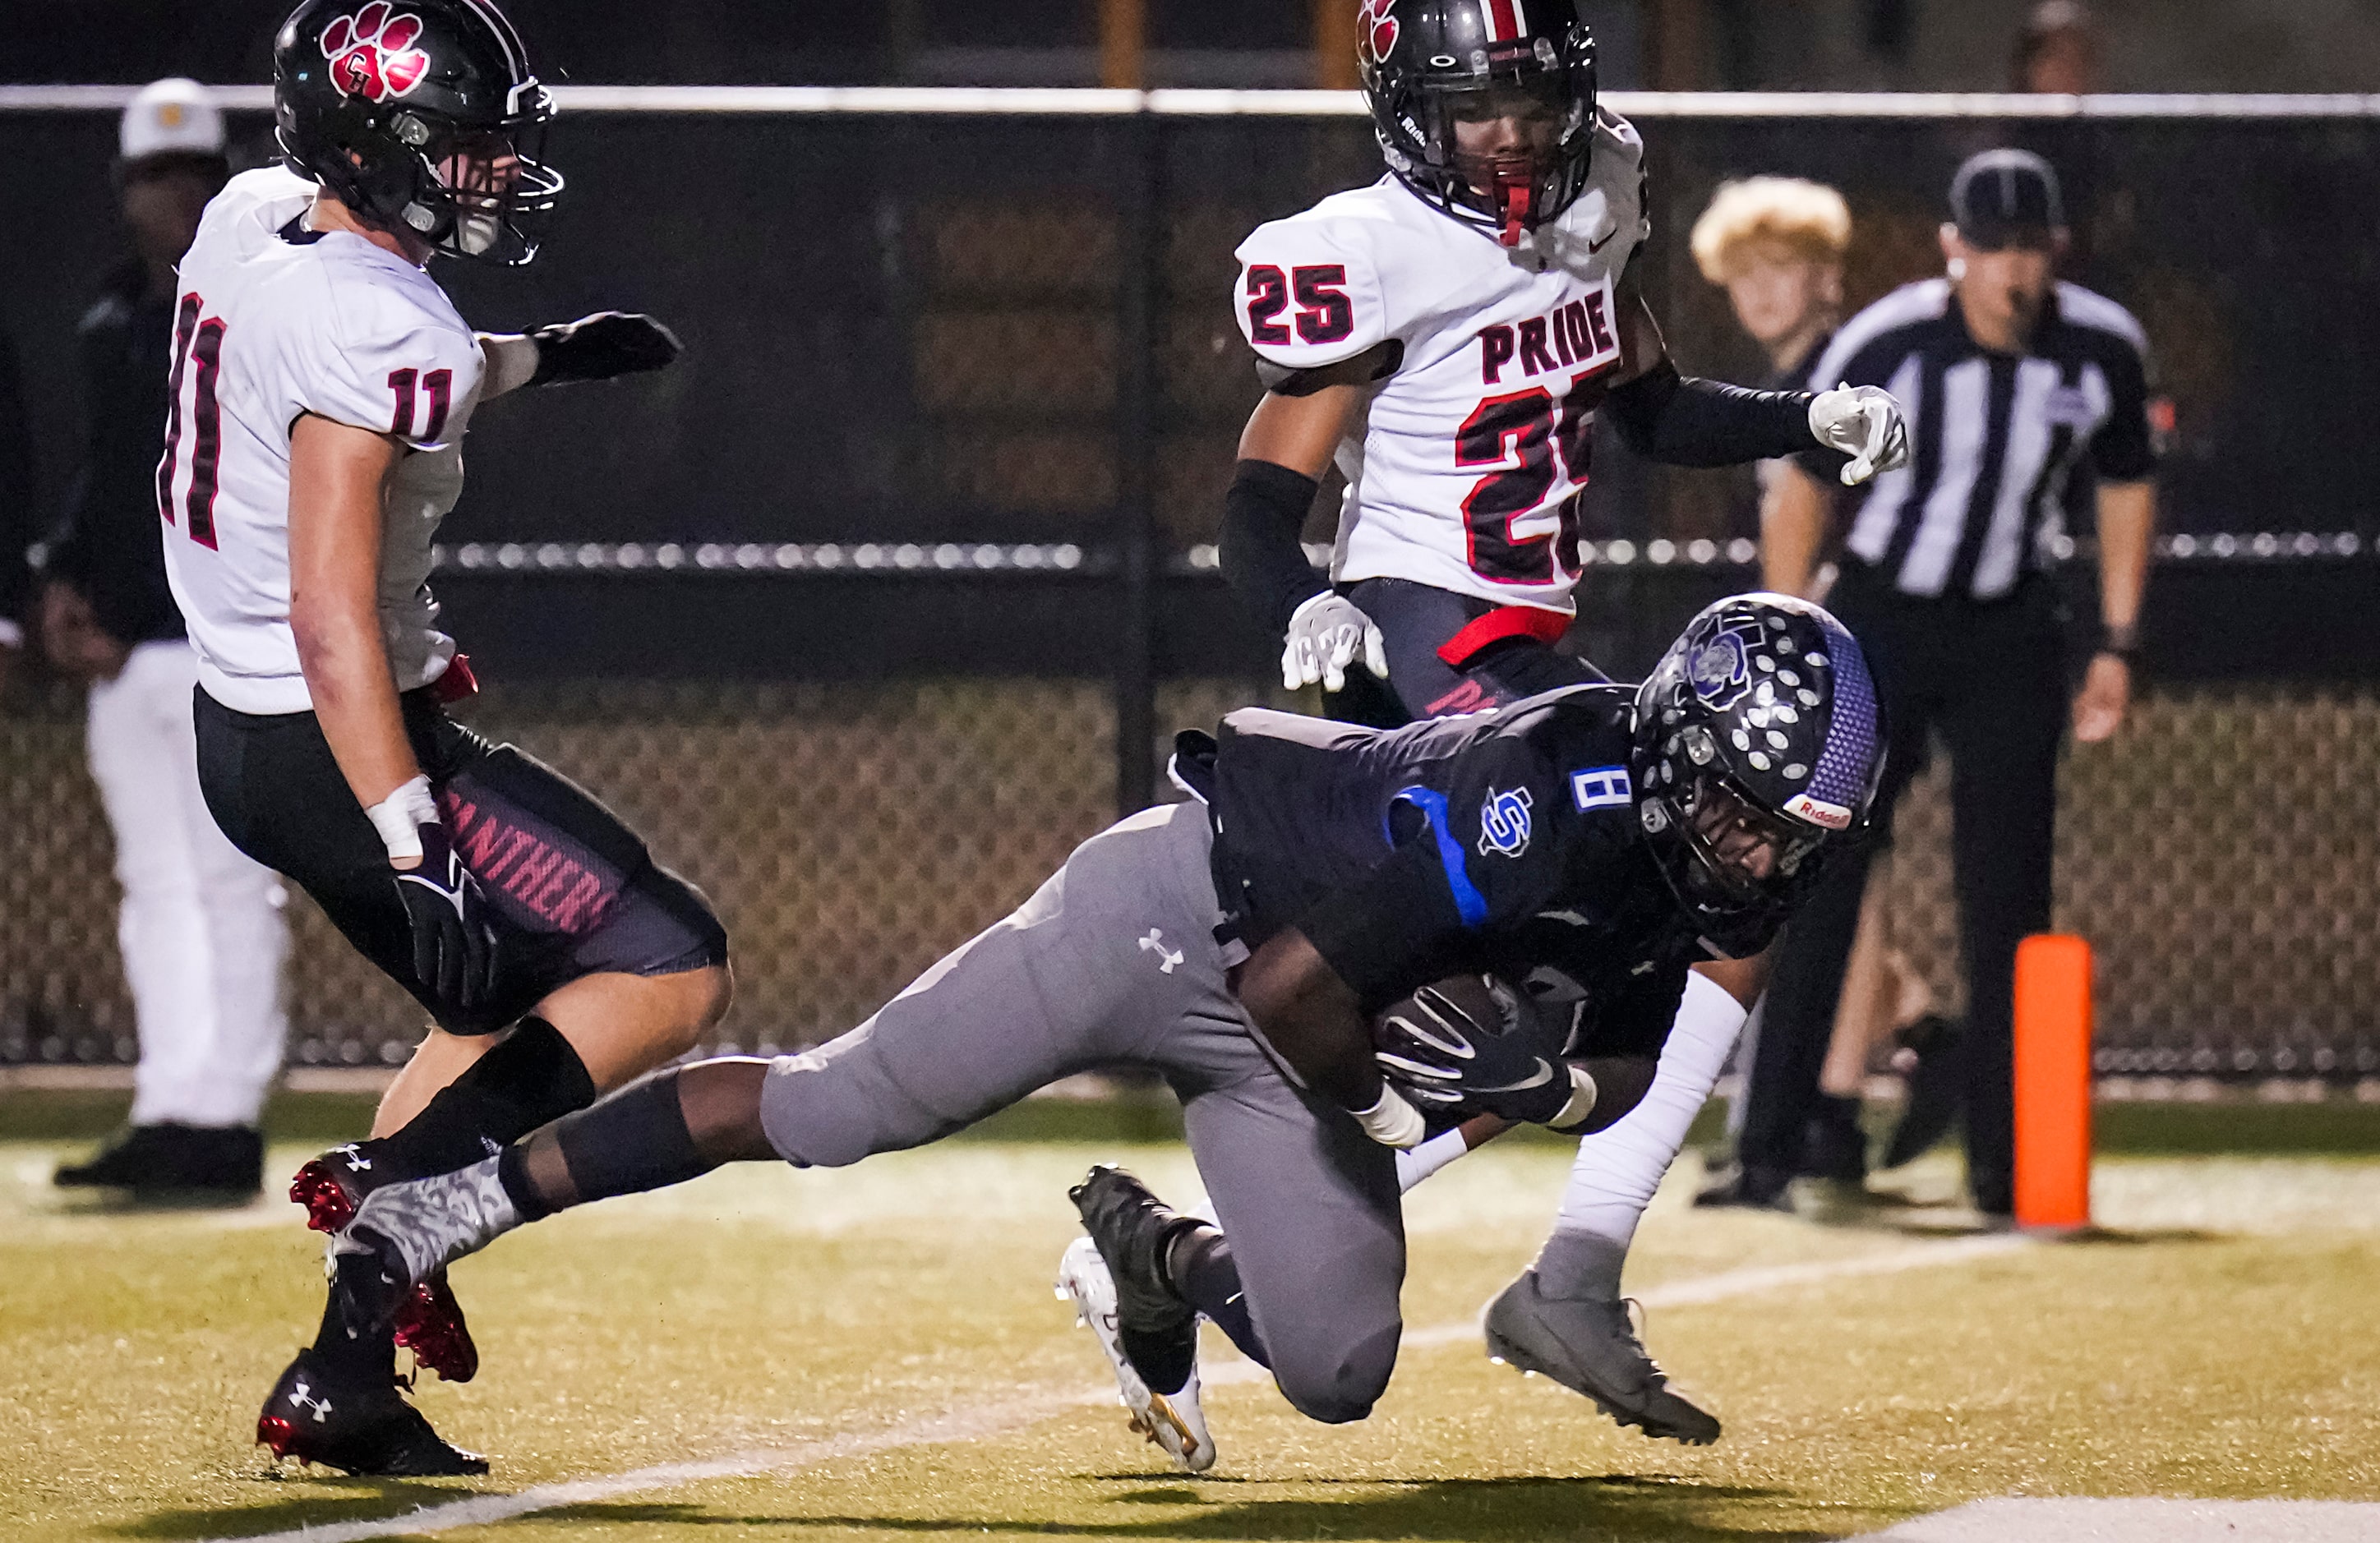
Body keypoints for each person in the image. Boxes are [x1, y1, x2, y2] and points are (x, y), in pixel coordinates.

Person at [323, 594, 1885, 1473]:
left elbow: (1620, 1063)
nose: (1766, 859)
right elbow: (1286, 987)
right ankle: (452, 1201)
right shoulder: (1550, 791)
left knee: (1339, 1368)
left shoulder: (1717, 855)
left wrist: (1540, 1082)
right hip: (1183, 918)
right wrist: (1410, 1116)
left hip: (1317, 1009)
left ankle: (1157, 1259)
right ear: (1679, 759)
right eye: (1754, 821)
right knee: (835, 1107)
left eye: (1796, 834)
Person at [1214, 0, 1910, 1443]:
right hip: (1427, 629)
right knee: (1719, 880)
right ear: (1412, 107)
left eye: (1535, 105)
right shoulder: (1371, 253)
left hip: (1530, 641)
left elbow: (1651, 410)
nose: (1516, 136)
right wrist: (1302, 600)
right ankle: (1572, 1273)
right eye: (1480, 109)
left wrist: (1804, 419)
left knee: (1604, 977)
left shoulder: (1595, 212)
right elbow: (1255, 504)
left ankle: (1216, 1250)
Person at [159, 0, 731, 1475]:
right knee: (667, 957)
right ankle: (390, 1209)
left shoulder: (250, 218)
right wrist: (415, 838)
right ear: (377, 145)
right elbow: (333, 610)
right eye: (463, 150)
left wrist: (544, 355)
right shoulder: (378, 323)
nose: (490, 176)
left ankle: (367, 1305)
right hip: (334, 731)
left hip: (245, 733)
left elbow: (331, 361)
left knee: (489, 1016)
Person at [1724, 148, 2156, 1219]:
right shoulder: (1892, 342)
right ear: (1952, 250)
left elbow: (2126, 488)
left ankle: (2009, 1166)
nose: (2014, 271)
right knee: (1819, 869)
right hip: (1885, 622)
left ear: (2054, 253)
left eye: (2030, 249)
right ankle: (1770, 1147)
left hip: (2014, 626)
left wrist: (2117, 640)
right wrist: (1792, 637)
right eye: (1993, 248)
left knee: (2007, 894)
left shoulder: (2100, 348)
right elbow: (1801, 495)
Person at [40, 79, 293, 1200]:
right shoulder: (111, 325)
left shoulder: (261, 309)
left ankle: (228, 1114)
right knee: (154, 885)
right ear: (126, 191)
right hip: (130, 651)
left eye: (197, 174)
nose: (179, 194)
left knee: (230, 879)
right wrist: (62, 582)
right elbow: (107, 481)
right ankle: (172, 1103)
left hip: (223, 642)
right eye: (159, 175)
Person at [1686, 173, 1935, 1199]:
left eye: (1782, 272)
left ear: (1824, 278)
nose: (1764, 295)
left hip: (1859, 642)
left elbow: (1824, 520)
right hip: (1852, 636)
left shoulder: (1840, 370)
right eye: (1745, 278)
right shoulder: (1814, 370)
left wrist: (1786, 652)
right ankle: (1905, 1040)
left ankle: (1837, 1093)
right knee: (1840, 874)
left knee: (1826, 871)